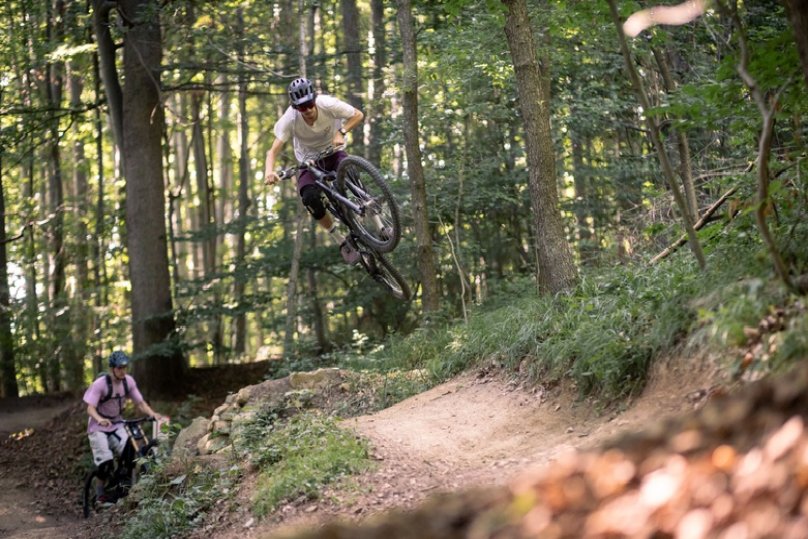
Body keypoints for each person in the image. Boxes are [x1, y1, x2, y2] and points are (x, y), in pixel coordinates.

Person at [264, 77, 365, 263]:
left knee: (350, 171)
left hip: (334, 152)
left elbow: (358, 115)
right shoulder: (290, 119)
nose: (308, 110)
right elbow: (272, 151)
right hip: (309, 162)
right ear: (296, 108)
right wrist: (269, 172)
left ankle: (379, 224)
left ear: (314, 100)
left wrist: (341, 132)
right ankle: (341, 241)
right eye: (302, 107)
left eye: (310, 104)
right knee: (309, 198)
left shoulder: (327, 104)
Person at [83, 351, 164, 505]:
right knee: (105, 462)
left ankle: (126, 486)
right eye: (119, 368)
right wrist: (100, 419)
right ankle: (100, 493)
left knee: (130, 454)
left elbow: (140, 403)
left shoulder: (128, 382)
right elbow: (90, 409)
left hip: (117, 423)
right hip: (98, 426)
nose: (123, 371)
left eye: (125, 367)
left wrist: (153, 414)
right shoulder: (100, 384)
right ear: (112, 368)